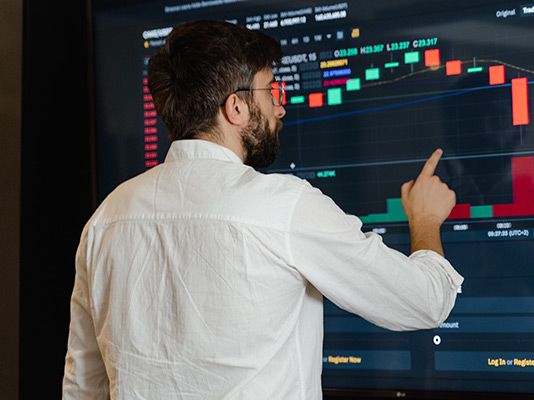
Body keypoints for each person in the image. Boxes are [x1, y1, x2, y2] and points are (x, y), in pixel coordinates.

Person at [62, 20, 463, 399]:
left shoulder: (106, 218)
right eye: (272, 91)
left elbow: (83, 386)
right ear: (235, 107)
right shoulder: (283, 206)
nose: (280, 108)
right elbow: (424, 301)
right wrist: (425, 220)